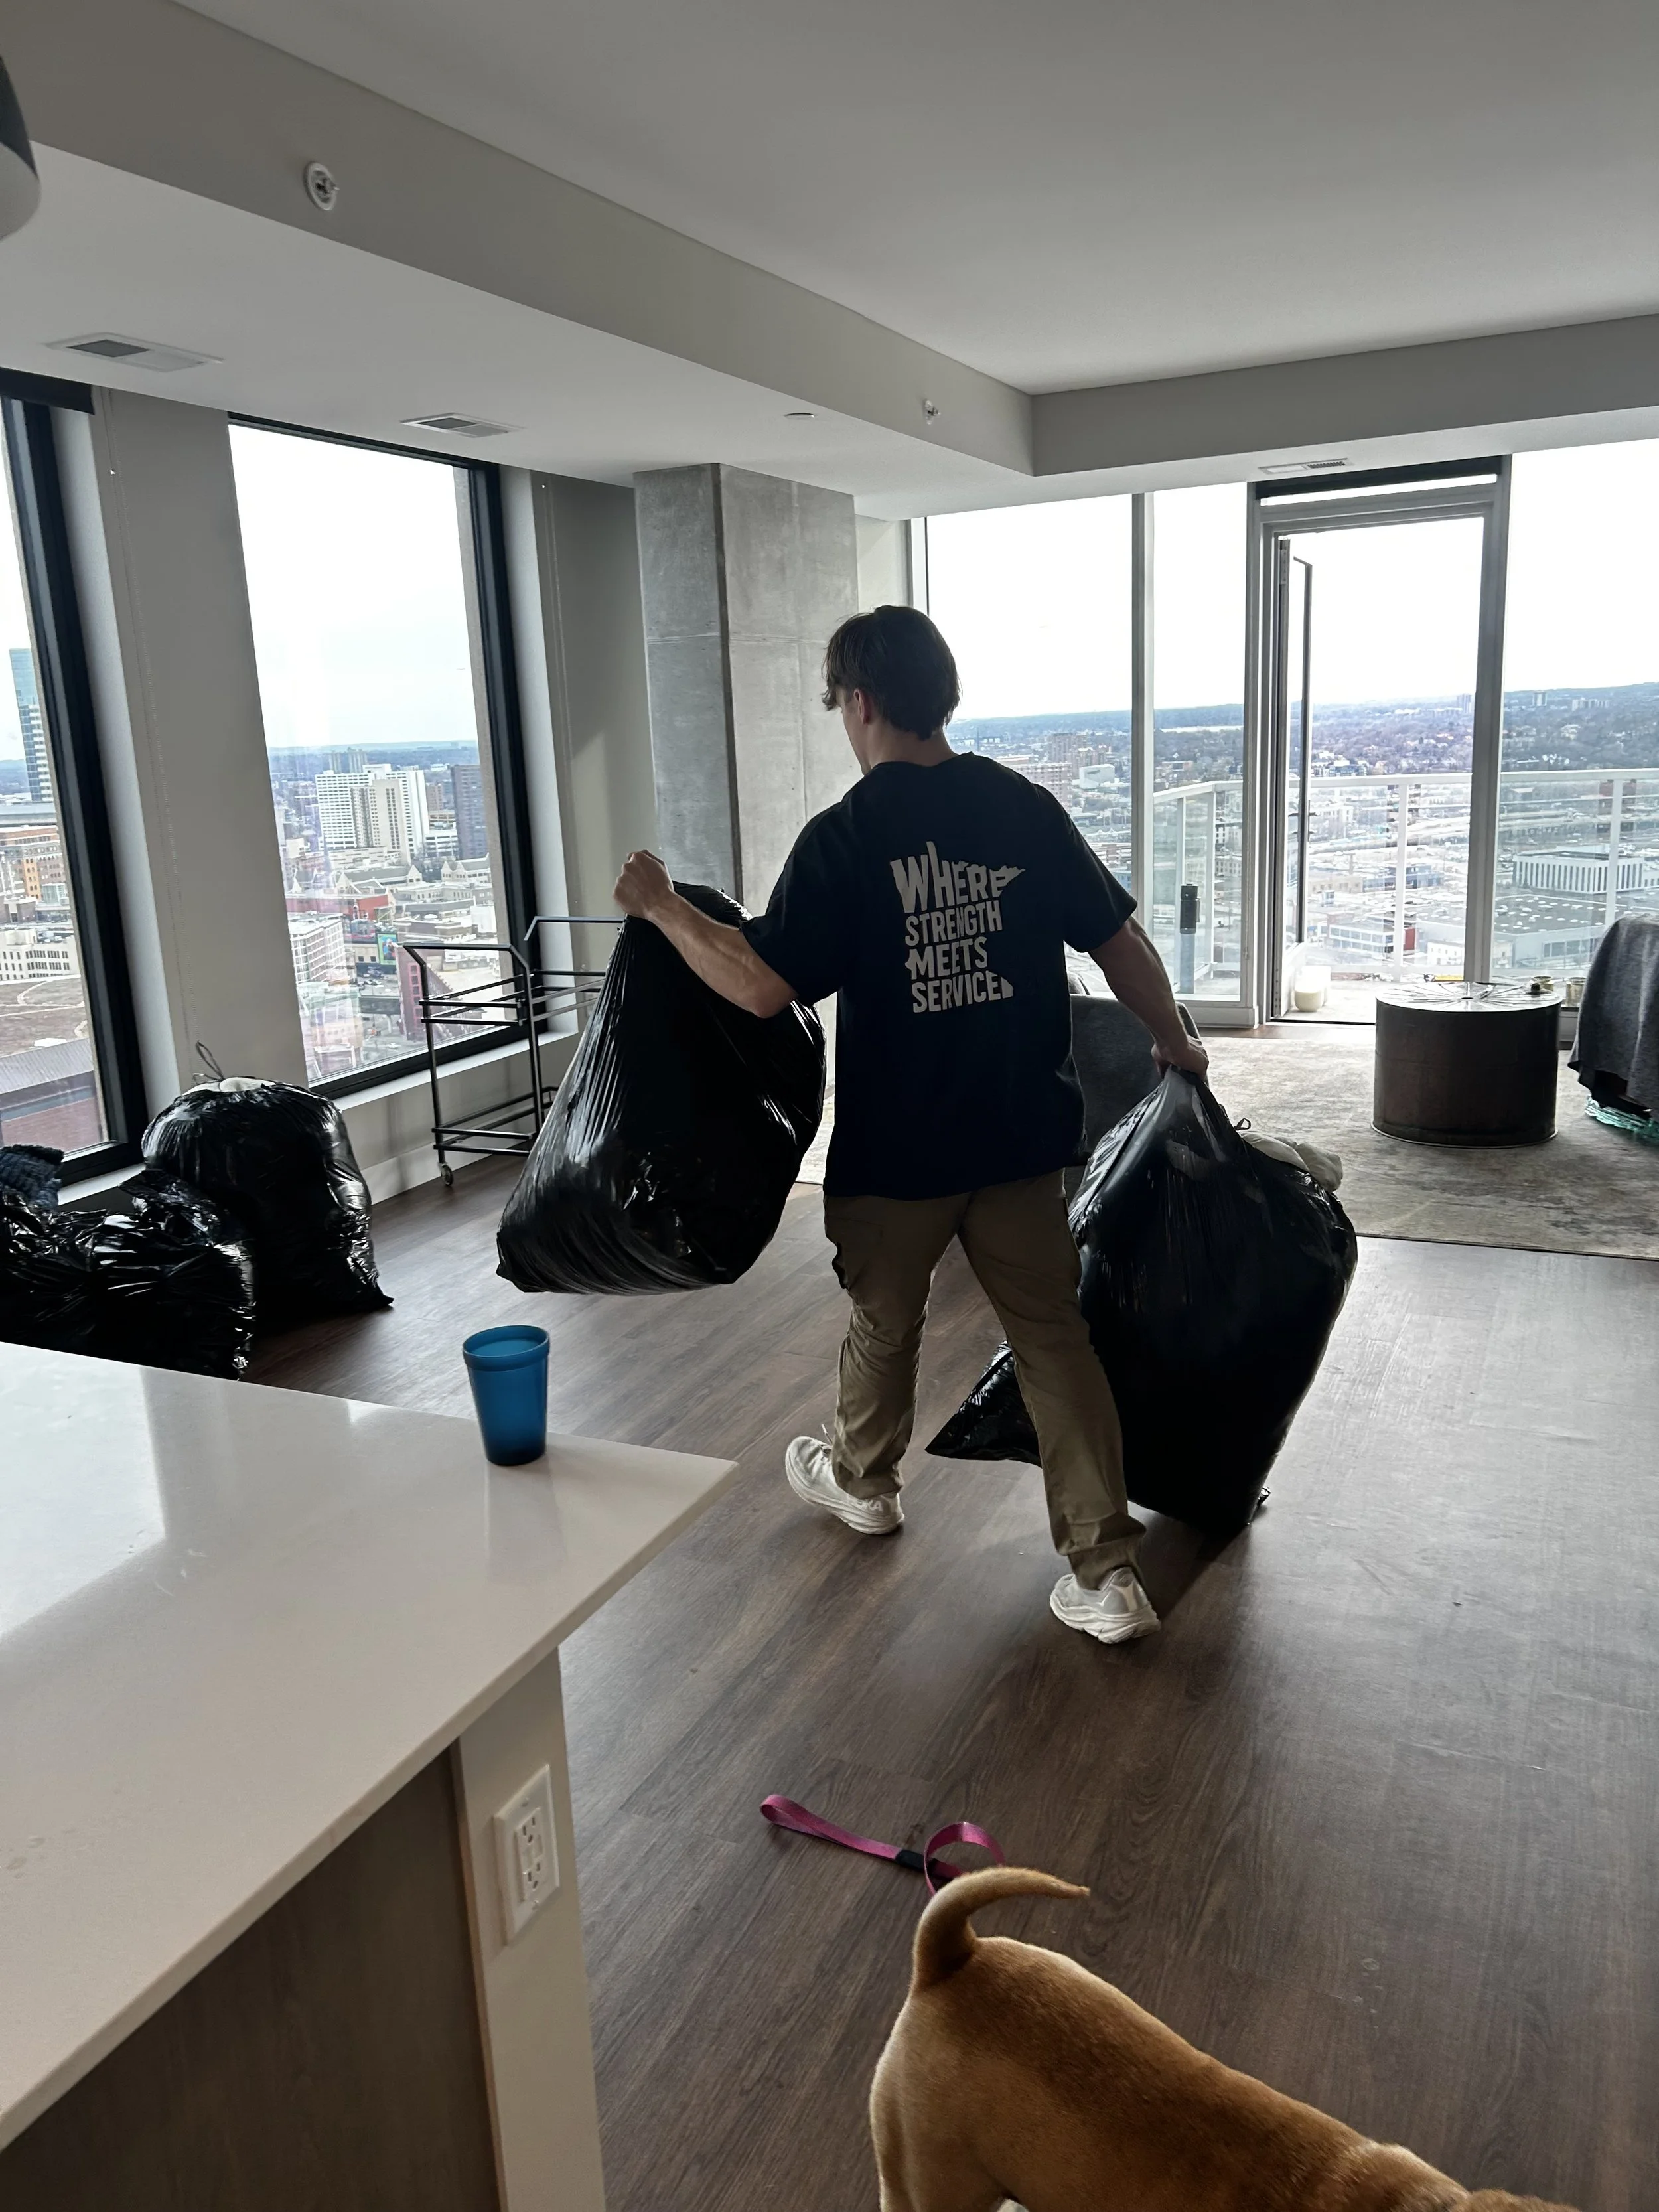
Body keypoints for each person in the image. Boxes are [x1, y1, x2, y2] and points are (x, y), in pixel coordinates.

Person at [613, 605, 1208, 1645]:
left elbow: (758, 986)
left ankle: (864, 1483)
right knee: (1051, 1338)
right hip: (1021, 1137)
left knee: (886, 1323)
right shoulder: (1023, 808)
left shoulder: (846, 836)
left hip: (897, 1153)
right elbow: (1119, 941)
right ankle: (1106, 1571)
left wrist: (663, 905)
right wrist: (1177, 1039)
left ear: (862, 702)